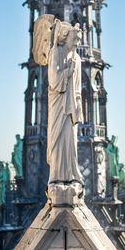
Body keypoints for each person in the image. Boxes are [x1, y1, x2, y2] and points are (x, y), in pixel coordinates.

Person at [46, 20, 84, 184]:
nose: (76, 44)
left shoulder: (77, 59)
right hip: (58, 107)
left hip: (70, 109)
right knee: (58, 141)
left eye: (78, 41)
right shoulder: (56, 52)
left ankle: (71, 174)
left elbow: (77, 87)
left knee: (71, 143)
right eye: (73, 39)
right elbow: (54, 82)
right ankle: (56, 176)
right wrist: (69, 70)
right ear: (65, 36)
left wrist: (78, 104)